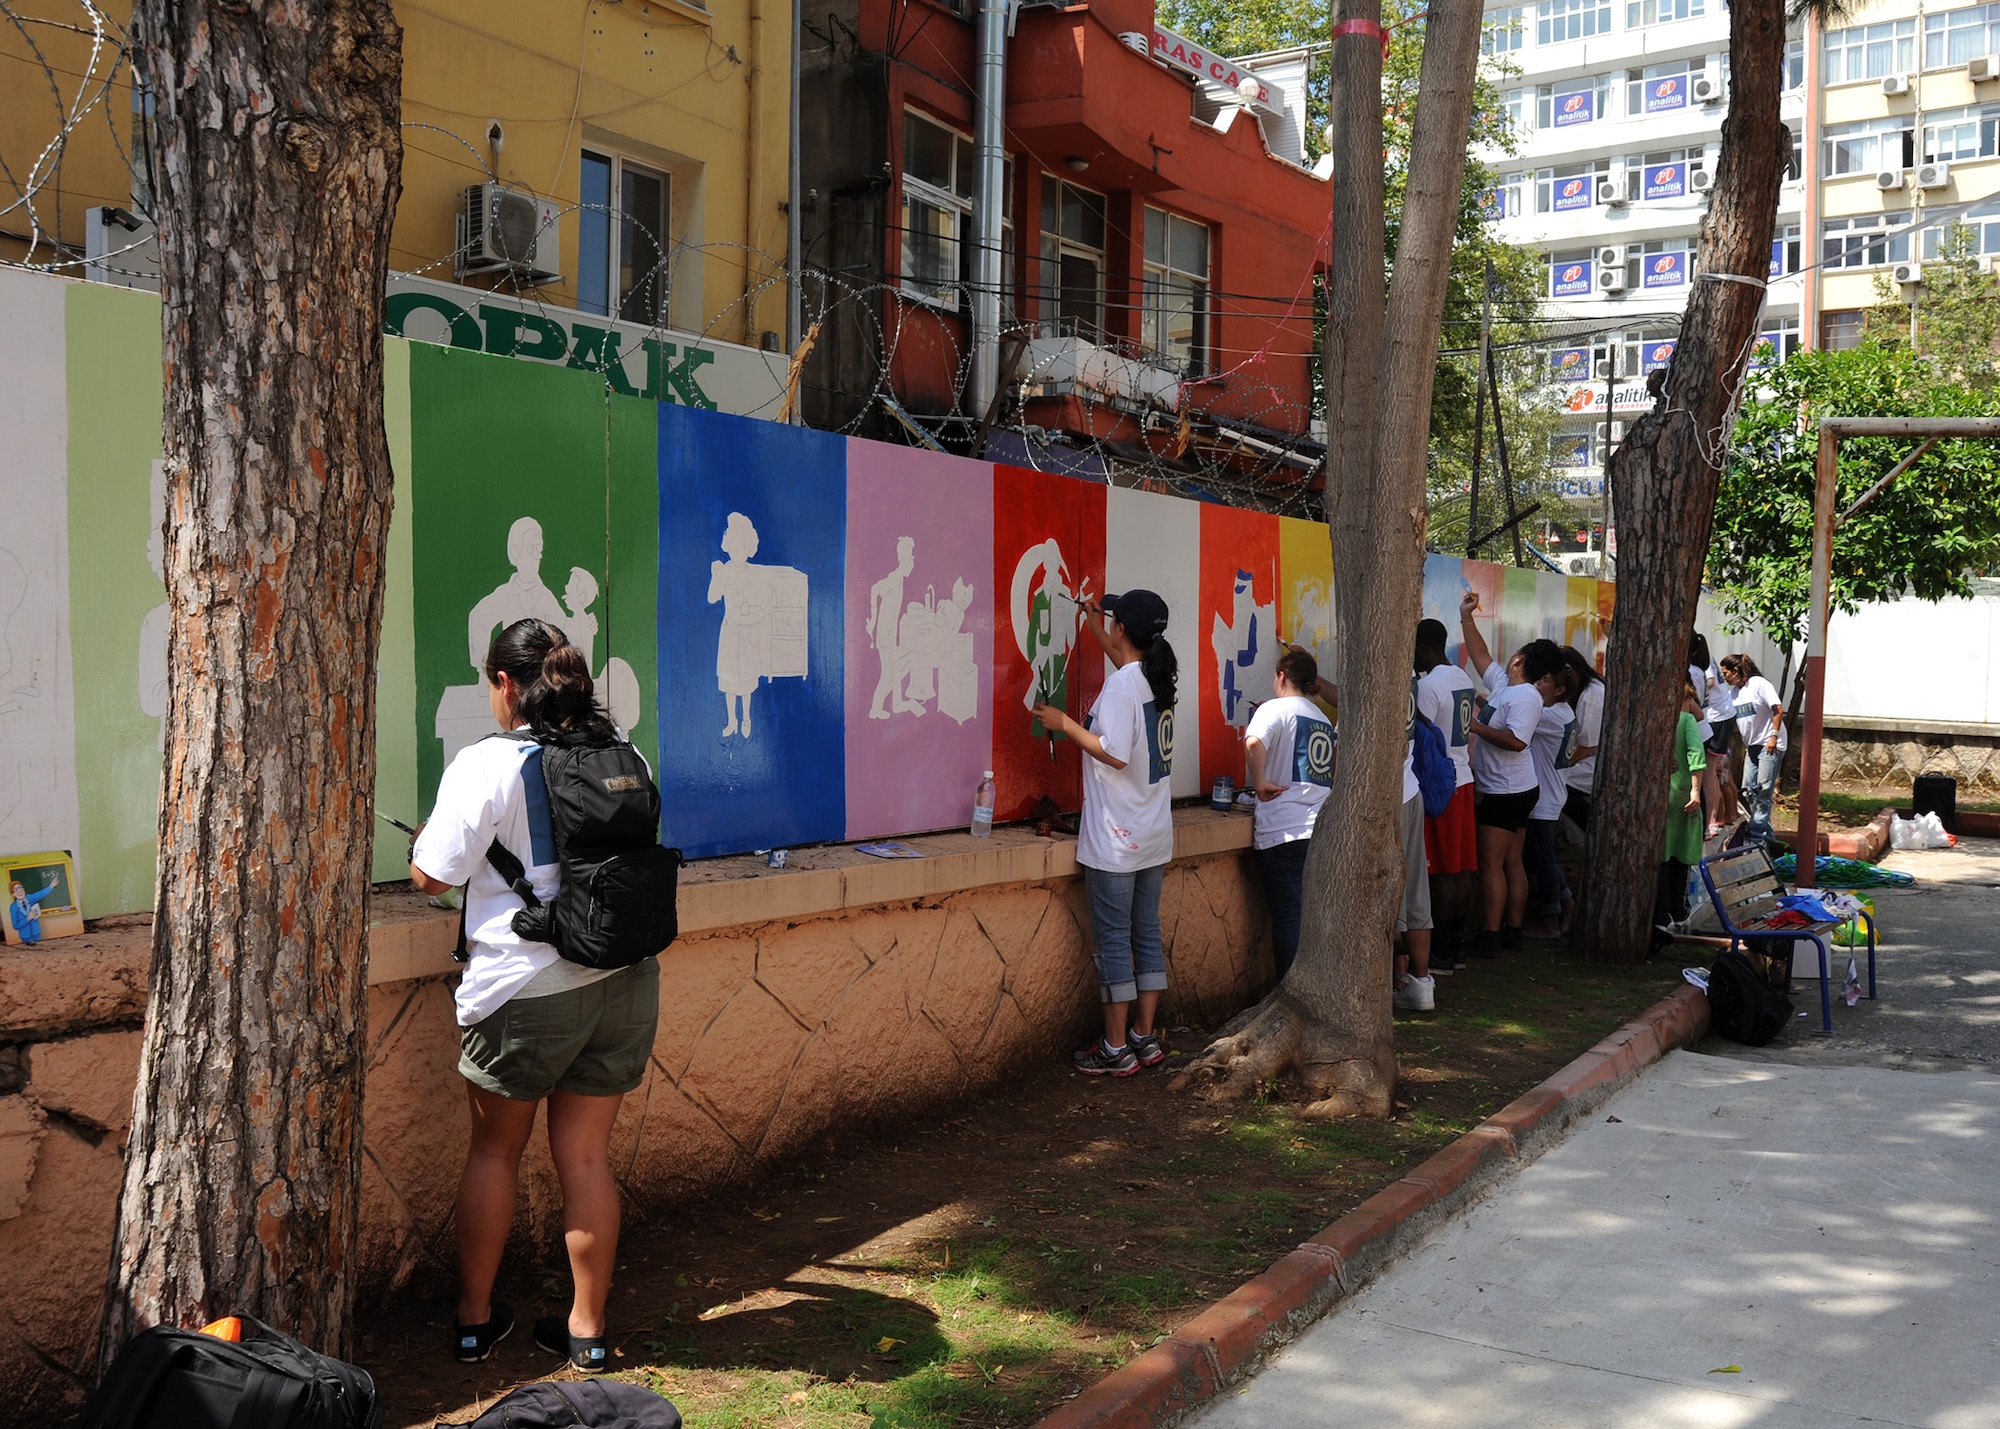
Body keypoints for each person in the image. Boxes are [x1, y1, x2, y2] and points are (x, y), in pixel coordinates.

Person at [410, 619, 662, 1372]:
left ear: (505, 684)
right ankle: (587, 1332)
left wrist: (424, 848)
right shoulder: (628, 753)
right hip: (620, 979)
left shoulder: (484, 764)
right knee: (586, 1159)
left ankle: (474, 1321)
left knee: (495, 1150)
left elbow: (434, 875)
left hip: (523, 988)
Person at [1033, 590, 1177, 1077]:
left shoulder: (1120, 687)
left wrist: (1063, 722)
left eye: (1111, 619)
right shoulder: (1155, 675)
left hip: (1119, 839)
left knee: (1115, 940)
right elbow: (1125, 660)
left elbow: (1112, 752)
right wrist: (1096, 626)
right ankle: (1144, 1037)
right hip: (1152, 835)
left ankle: (1115, 1048)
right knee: (1146, 933)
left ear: (1123, 630)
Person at [1458, 594, 1567, 955]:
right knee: (1510, 862)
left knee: (1492, 864)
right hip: (1516, 788)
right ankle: (1512, 932)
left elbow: (1518, 741)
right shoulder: (1509, 688)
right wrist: (1466, 617)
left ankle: (1491, 936)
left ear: (1519, 661)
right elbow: (1480, 655)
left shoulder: (1525, 697)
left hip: (1507, 791)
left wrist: (1475, 727)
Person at [1243, 648, 1335, 980]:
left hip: (1282, 830)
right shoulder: (1323, 719)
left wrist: (1260, 782)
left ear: (1282, 675)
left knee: (1286, 916)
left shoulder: (1275, 709)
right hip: (1320, 830)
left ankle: (1290, 991)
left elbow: (1254, 743)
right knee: (1312, 918)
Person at [1415, 620, 1479, 974]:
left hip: (1441, 785)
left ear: (1424, 648)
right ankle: (1457, 949)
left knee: (1439, 870)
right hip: (1463, 779)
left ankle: (1439, 953)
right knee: (1459, 870)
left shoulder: (1427, 686)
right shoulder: (1462, 678)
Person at [1523, 666, 1579, 939]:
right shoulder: (1564, 712)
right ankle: (1565, 902)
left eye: (1545, 678)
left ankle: (1552, 921)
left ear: (1559, 690)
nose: (1537, 682)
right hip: (1550, 795)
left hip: (1543, 799)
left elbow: (1517, 718)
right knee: (1544, 857)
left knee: (1543, 860)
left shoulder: (1550, 716)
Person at [1656, 681, 1710, 943]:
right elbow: (1696, 754)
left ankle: (1661, 913)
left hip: (1659, 796)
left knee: (1662, 856)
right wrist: (1696, 791)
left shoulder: (1654, 717)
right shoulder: (1686, 720)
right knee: (1680, 856)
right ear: (1686, 699)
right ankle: (1677, 911)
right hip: (1682, 794)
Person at [1719, 653, 1786, 843]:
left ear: (1736, 671)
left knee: (1764, 789)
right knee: (1748, 789)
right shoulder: (1734, 693)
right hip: (1753, 746)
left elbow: (1778, 709)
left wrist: (1773, 736)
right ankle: (1768, 835)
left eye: (1726, 673)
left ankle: (1756, 836)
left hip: (1769, 744)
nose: (1725, 677)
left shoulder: (1758, 684)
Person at [1560, 646, 1603, 832]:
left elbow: (1587, 745)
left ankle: (1592, 831)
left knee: (1560, 790)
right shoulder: (1589, 689)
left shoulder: (1591, 695)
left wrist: (1563, 764)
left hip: (1591, 764)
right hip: (1587, 760)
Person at [9, 874, 58, 945]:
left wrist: (51, 886)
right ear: (13, 894)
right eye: (16, 889)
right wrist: (28, 918)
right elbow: (15, 926)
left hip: (36, 933)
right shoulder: (14, 907)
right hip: (25, 937)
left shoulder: (29, 898)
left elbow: (41, 894)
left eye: (20, 887)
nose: (19, 890)